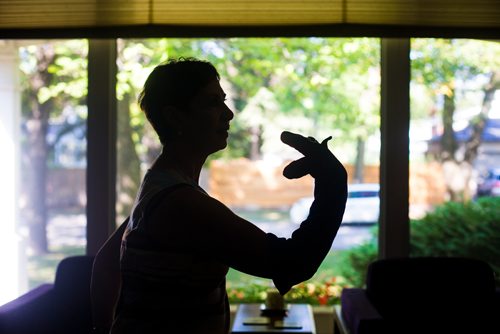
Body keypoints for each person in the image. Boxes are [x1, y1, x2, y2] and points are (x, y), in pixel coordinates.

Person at [91, 57, 347, 334]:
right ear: (176, 116)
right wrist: (333, 182)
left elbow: (106, 262)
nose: (228, 114)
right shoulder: (181, 204)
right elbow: (293, 263)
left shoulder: (158, 186)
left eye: (223, 100)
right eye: (213, 102)